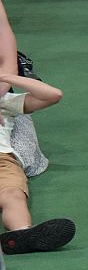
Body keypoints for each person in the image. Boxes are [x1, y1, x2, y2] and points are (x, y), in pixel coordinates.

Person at [0, 65, 71, 256]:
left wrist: (6, 76)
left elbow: (53, 95)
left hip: (3, 162)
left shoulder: (5, 102)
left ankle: (22, 235)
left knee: (13, 194)